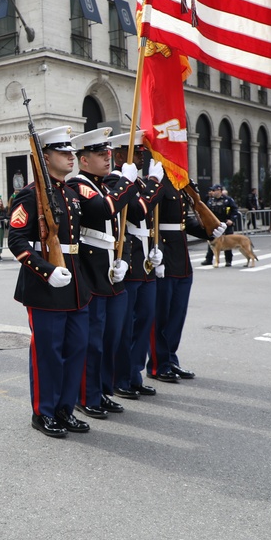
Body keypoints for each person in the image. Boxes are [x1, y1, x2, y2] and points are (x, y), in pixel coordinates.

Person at [8, 126, 92, 437]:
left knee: (76, 349)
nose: (71, 157)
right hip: (45, 287)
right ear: (45, 157)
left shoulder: (71, 194)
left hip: (75, 287)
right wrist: (46, 271)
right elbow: (16, 240)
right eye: (63, 152)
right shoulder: (29, 195)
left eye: (72, 152)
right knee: (48, 353)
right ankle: (43, 412)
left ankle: (64, 409)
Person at [65, 128, 138, 420]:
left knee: (111, 338)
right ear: (83, 160)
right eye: (99, 154)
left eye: (108, 153)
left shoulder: (104, 185)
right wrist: (126, 183)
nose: (107, 158)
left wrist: (125, 260)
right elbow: (103, 210)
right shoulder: (78, 184)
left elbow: (124, 229)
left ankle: (103, 390)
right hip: (93, 271)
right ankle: (87, 396)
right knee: (93, 341)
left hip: (112, 270)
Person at [149, 181, 226, 382]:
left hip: (181, 258)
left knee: (177, 315)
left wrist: (207, 231)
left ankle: (171, 358)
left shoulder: (180, 185)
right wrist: (157, 252)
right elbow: (150, 222)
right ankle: (158, 364)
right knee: (161, 315)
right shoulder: (155, 184)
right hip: (164, 256)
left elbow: (181, 222)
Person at [107, 132, 163, 401]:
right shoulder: (115, 181)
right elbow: (140, 210)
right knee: (126, 325)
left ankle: (135, 374)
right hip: (128, 262)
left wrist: (156, 247)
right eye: (138, 153)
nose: (143, 157)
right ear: (120, 155)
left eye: (143, 153)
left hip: (146, 261)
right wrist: (154, 182)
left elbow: (150, 221)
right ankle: (121, 378)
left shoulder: (137, 182)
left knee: (144, 321)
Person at [201, 184, 238, 266]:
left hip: (226, 223)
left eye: (214, 190)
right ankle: (208, 259)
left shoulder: (228, 200)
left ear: (220, 191)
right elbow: (207, 212)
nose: (212, 192)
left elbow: (235, 210)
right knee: (211, 241)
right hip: (214, 224)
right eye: (212, 191)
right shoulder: (210, 201)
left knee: (227, 242)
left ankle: (228, 260)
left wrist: (231, 220)